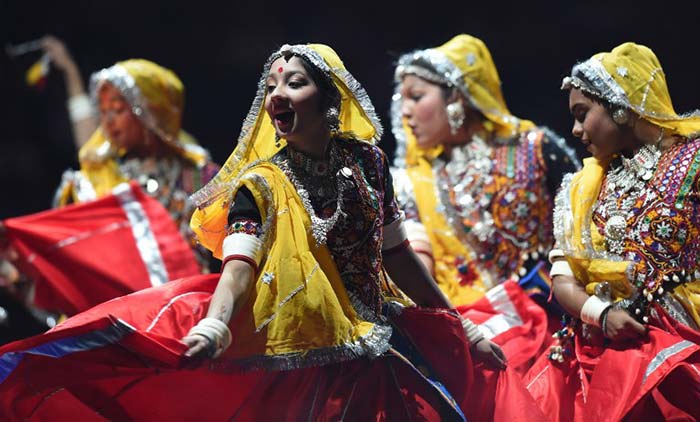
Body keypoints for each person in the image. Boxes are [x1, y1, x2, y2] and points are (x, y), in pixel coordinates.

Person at [0, 42, 505, 420]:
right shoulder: (261, 184)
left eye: (294, 84)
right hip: (304, 358)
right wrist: (216, 326)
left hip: (386, 344)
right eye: (270, 88)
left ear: (329, 98)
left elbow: (398, 257)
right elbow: (237, 267)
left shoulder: (367, 162)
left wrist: (465, 327)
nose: (277, 96)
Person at [525, 42, 700, 421]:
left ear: (618, 104)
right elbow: (563, 279)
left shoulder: (695, 160)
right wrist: (602, 315)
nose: (574, 129)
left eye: (582, 114)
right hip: (604, 359)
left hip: (686, 349)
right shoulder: (581, 187)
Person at [0, 57, 218, 340]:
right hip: (120, 325)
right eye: (102, 112)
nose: (108, 121)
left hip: (190, 319)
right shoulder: (101, 182)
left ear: (152, 111)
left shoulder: (201, 176)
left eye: (118, 110)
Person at [391, 34, 580, 308]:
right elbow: (414, 267)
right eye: (402, 99)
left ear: (456, 96)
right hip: (474, 328)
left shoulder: (534, 147)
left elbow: (585, 226)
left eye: (416, 97)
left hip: (559, 306)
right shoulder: (412, 181)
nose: (404, 111)